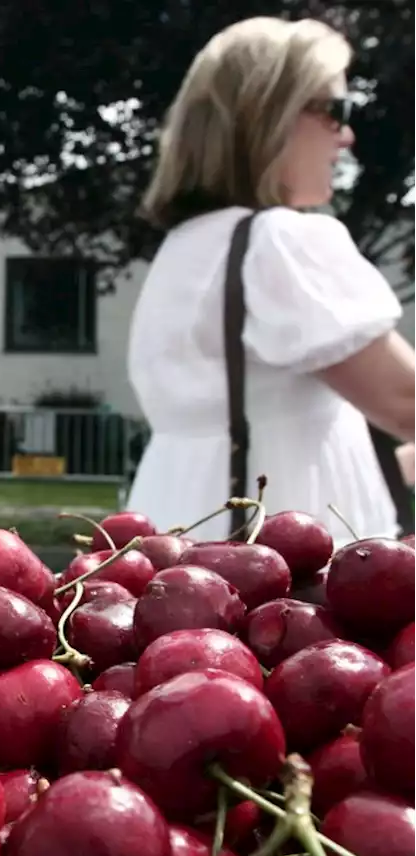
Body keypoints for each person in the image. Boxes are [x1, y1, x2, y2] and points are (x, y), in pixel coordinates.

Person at [127, 16, 416, 545]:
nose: (347, 135)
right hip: (284, 566)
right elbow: (407, 402)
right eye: (336, 111)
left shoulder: (188, 247)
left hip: (172, 538)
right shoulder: (282, 241)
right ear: (270, 116)